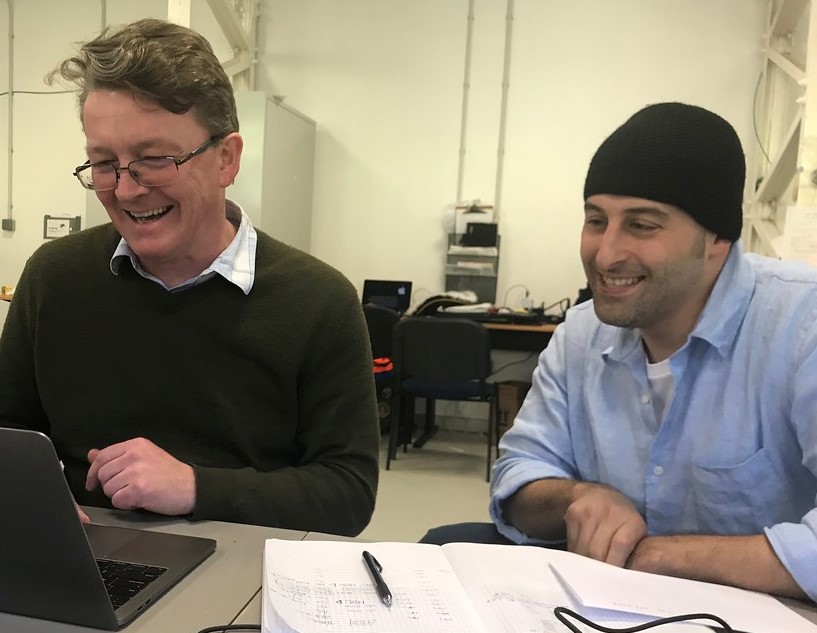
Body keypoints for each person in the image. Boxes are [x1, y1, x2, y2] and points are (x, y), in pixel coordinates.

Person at [0, 19, 379, 536]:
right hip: (86, 558)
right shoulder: (53, 279)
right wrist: (32, 498)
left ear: (226, 159)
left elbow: (347, 493)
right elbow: (9, 436)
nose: (127, 190)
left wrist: (195, 487)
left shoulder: (320, 302)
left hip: (247, 571)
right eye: (104, 163)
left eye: (154, 160)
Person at [424, 102, 817, 601]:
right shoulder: (581, 334)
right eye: (595, 220)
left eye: (642, 225)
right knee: (438, 552)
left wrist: (659, 555)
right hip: (599, 600)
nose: (605, 254)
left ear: (717, 236)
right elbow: (519, 474)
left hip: (750, 611)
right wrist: (579, 497)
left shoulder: (802, 326)